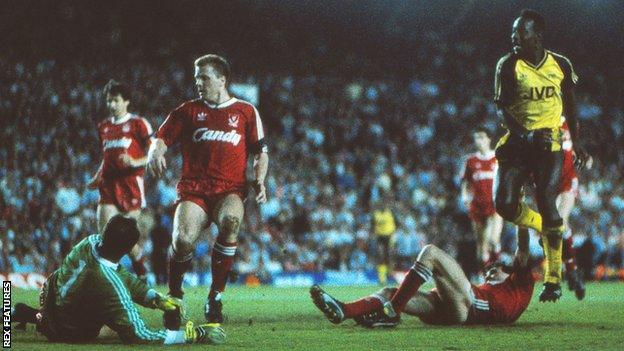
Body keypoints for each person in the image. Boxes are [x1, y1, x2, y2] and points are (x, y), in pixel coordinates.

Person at [147, 54, 269, 329]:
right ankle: (175, 296)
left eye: (204, 77)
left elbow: (261, 151)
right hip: (194, 190)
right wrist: (156, 151)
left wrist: (259, 178)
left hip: (230, 190)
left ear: (222, 79)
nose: (198, 83)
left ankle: (215, 296)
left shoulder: (246, 111)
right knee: (183, 240)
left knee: (232, 221)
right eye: (196, 78)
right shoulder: (187, 111)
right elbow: (161, 138)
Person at [492, 9, 589, 301]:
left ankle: (553, 278)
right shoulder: (507, 66)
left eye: (520, 32)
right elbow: (502, 109)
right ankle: (543, 227)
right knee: (505, 206)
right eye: (513, 32)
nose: (514, 37)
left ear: (537, 36)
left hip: (550, 144)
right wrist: (525, 134)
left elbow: (570, 108)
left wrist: (579, 144)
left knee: (548, 201)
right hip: (519, 143)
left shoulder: (560, 64)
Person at [11, 215, 225, 345]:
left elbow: (121, 275)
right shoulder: (108, 283)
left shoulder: (91, 242)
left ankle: (25, 314)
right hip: (67, 326)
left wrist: (156, 299)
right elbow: (139, 334)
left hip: (53, 294)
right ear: (126, 250)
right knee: (113, 330)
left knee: (96, 312)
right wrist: (194, 335)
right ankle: (43, 322)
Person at [310, 227, 534, 327]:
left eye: (495, 269)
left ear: (510, 272)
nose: (490, 272)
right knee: (392, 293)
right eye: (488, 271)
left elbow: (522, 250)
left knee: (431, 253)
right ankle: (345, 310)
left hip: (469, 306)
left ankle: (392, 313)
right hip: (452, 308)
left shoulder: (519, 283)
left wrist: (520, 216)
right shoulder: (492, 288)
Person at [88, 79, 153, 278]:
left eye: (115, 100)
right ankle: (108, 279)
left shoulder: (138, 124)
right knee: (105, 236)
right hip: (108, 186)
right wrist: (97, 176)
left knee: (125, 236)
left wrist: (135, 162)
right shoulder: (104, 127)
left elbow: (153, 152)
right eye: (109, 101)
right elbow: (106, 157)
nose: (111, 105)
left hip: (130, 186)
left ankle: (140, 266)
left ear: (126, 101)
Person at [557, 118, 592, 300]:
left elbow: (580, 151)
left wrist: (586, 159)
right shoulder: (539, 121)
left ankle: (567, 273)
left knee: (560, 221)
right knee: (555, 228)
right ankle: (571, 269)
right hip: (546, 183)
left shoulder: (569, 123)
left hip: (567, 180)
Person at [460, 127, 503, 268]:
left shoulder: (497, 158)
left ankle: (498, 270)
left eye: (482, 137)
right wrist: (465, 198)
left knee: (493, 240)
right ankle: (484, 275)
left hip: (495, 205)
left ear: (489, 139)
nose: (479, 141)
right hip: (477, 206)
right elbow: (465, 183)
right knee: (481, 244)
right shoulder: (471, 161)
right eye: (476, 138)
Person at [371, 200, 397, 285]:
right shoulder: (376, 214)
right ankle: (382, 278)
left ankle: (390, 274)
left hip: (389, 236)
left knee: (389, 256)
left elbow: (397, 224)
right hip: (380, 237)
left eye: (384, 204)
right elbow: (372, 225)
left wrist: (394, 236)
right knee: (381, 255)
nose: (383, 206)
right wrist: (373, 235)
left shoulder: (390, 213)